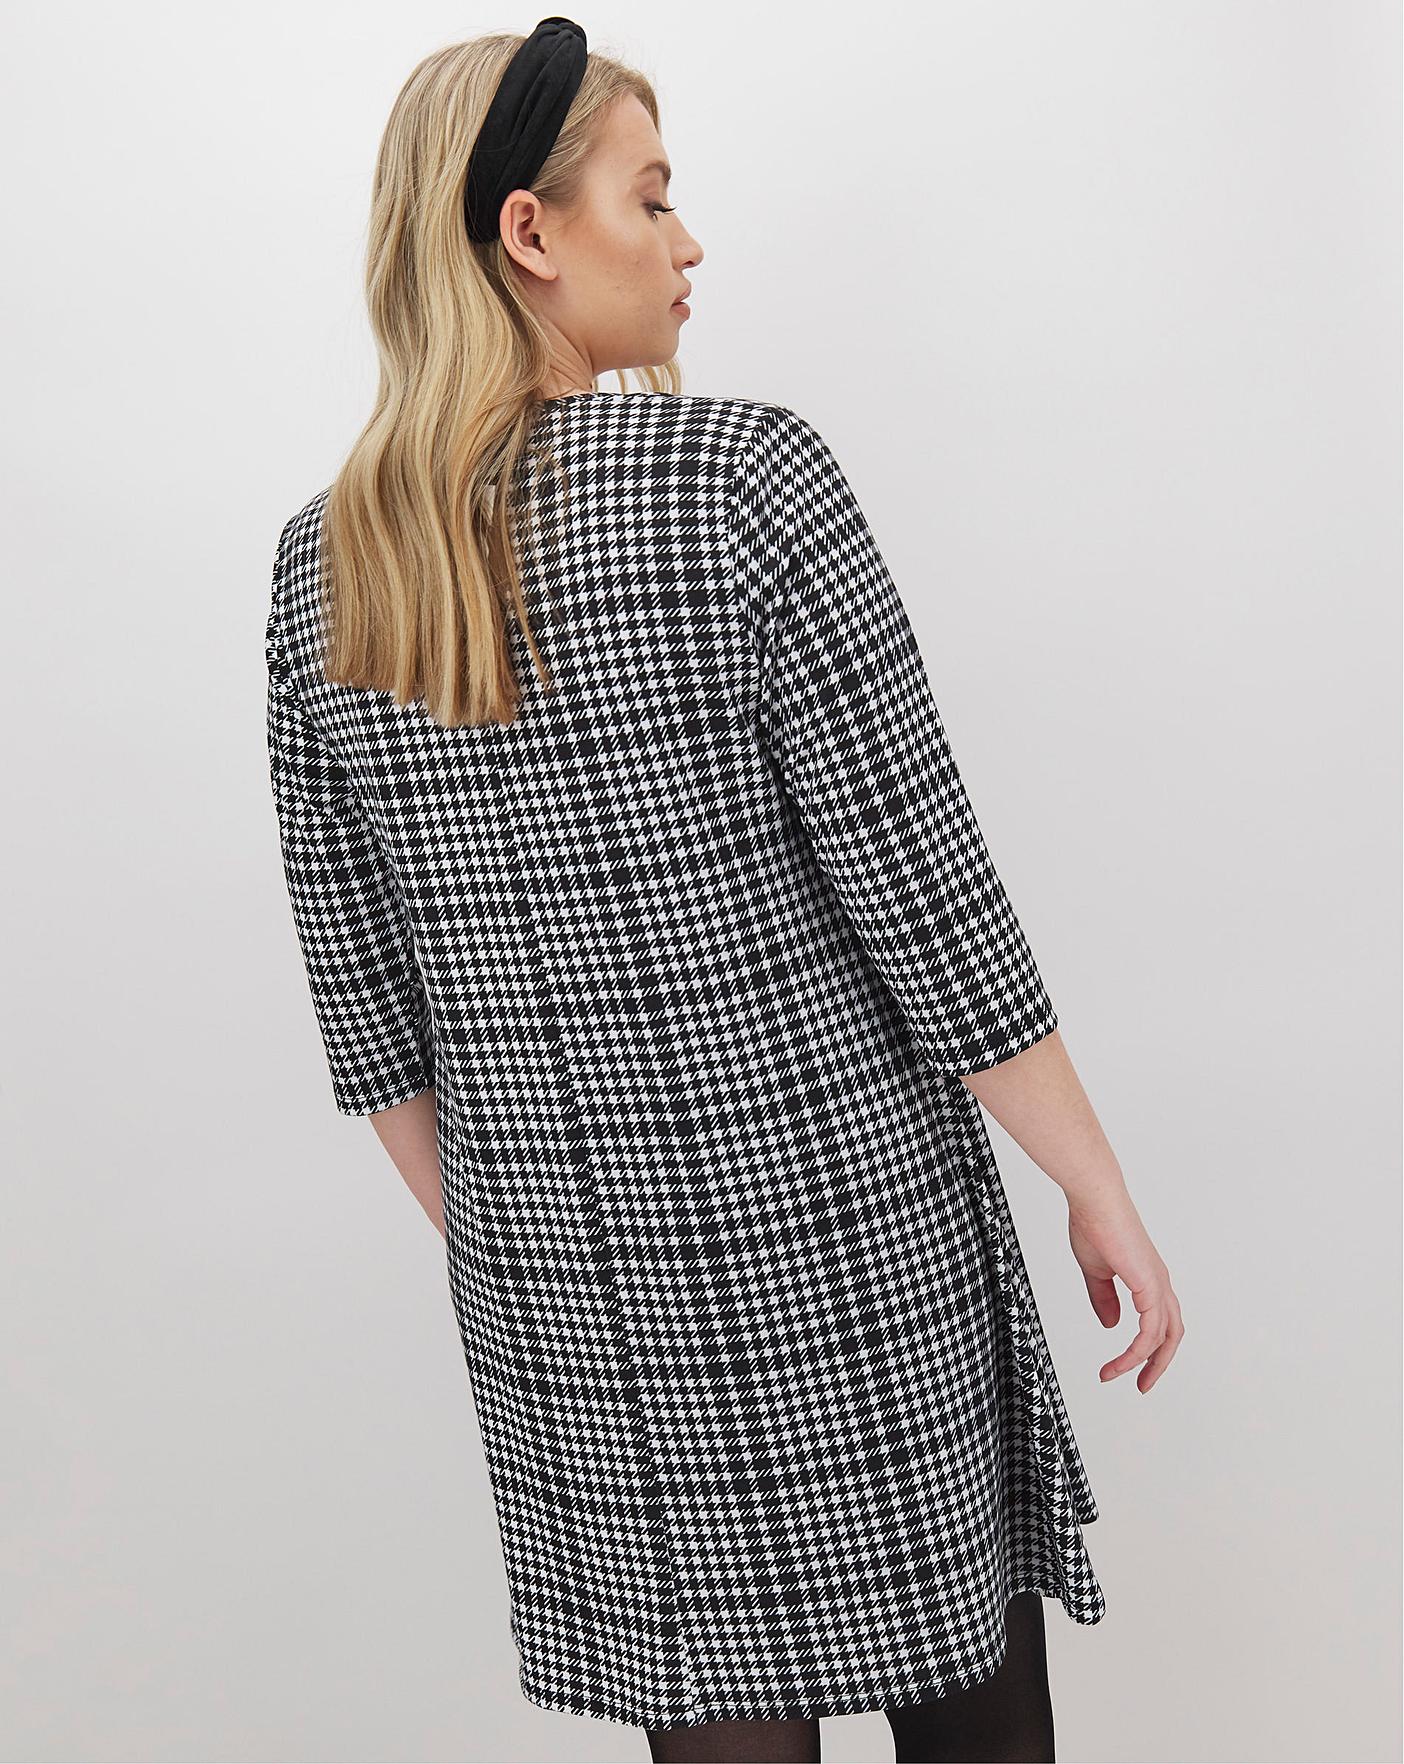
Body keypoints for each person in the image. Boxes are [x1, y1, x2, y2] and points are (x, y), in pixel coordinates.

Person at [263, 19, 1184, 1763]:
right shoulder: (736, 480)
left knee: (718, 1726)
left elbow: (370, 1026)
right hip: (846, 1238)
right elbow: (928, 896)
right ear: (530, 232)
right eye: (653, 197)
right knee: (972, 1714)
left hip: (572, 1306)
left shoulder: (325, 569)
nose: (689, 243)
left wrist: (555, 1245)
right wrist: (1096, 1181)